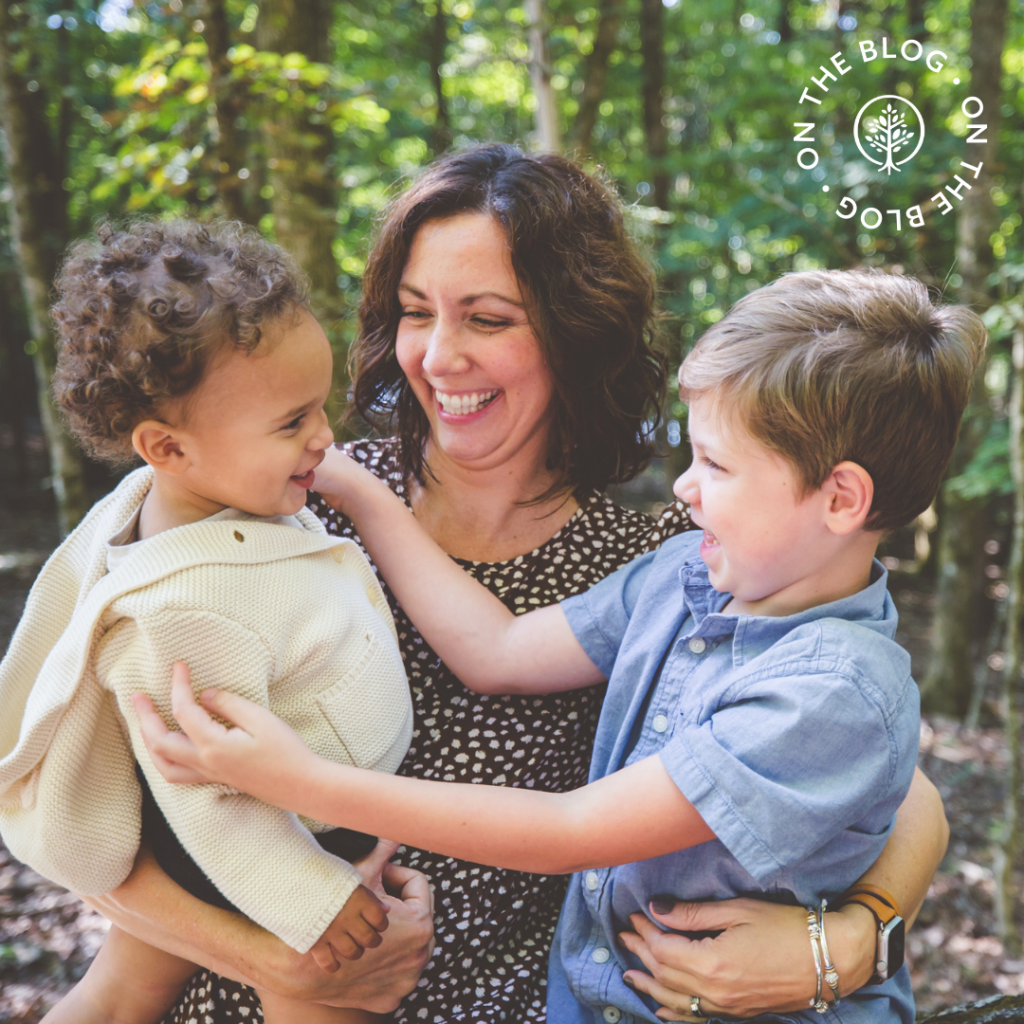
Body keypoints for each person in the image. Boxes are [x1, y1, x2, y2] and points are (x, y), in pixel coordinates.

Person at [83, 145, 948, 1024]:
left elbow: (892, 785)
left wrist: (849, 942)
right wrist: (283, 964)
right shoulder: (285, 499)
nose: (440, 356)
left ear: (572, 333)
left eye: (488, 319)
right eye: (417, 313)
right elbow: (92, 798)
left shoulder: (680, 562)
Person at [0, 220, 415, 1024]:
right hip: (287, 845)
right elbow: (209, 800)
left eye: (319, 406)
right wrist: (312, 897)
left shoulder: (222, 497)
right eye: (292, 422)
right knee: (325, 999)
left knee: (123, 989)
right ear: (168, 447)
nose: (325, 437)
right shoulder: (180, 611)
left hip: (302, 818)